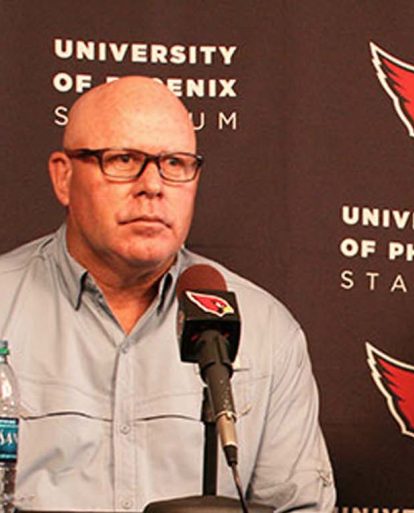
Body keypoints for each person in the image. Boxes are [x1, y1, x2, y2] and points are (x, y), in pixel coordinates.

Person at [0, 76, 334, 511]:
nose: (153, 186)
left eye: (175, 163)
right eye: (123, 159)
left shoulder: (267, 331)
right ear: (64, 177)